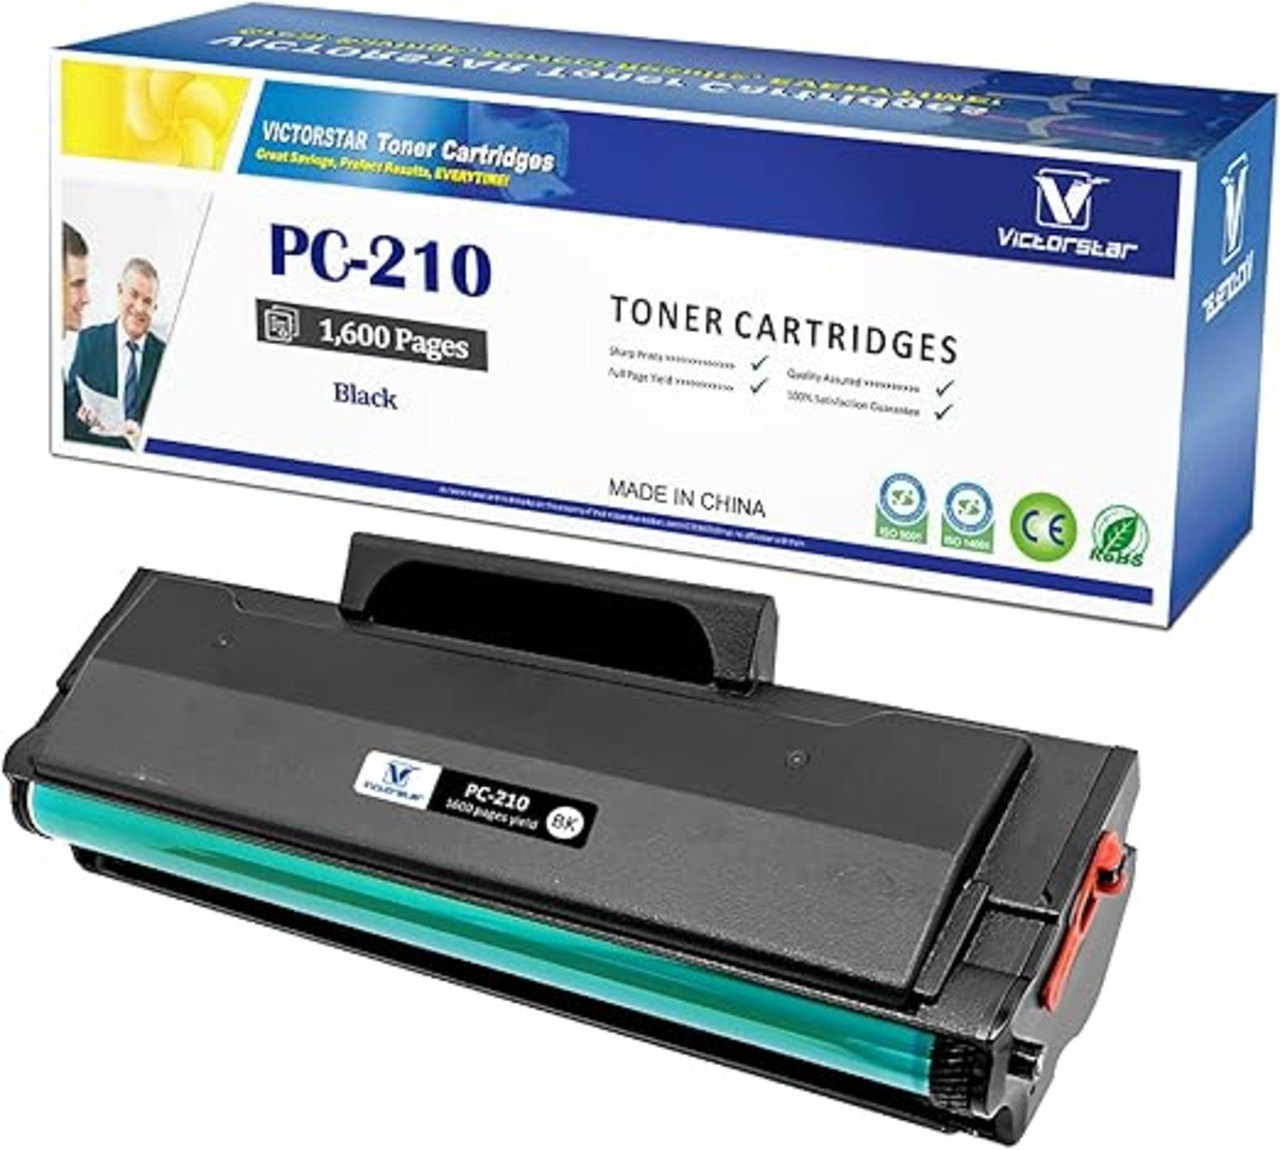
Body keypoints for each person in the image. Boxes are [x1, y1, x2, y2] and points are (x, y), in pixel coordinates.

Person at [67, 256, 167, 450]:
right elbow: (67, 409)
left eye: (147, 301)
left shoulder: (164, 357)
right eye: (133, 294)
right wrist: (81, 418)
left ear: (154, 308)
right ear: (120, 291)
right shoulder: (89, 342)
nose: (139, 307)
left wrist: (143, 436)